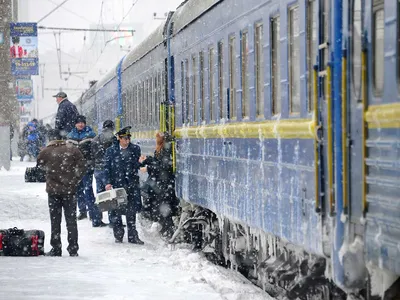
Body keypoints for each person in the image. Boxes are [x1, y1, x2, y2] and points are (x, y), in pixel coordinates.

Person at [37, 129, 86, 257]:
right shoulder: (73, 149)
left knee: (55, 221)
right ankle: (73, 248)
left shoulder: (46, 151)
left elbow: (39, 165)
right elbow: (82, 166)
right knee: (71, 221)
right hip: (70, 191)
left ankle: (56, 248)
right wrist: (74, 180)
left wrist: (50, 175)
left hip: (53, 191)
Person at [104, 126, 144, 244]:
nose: (127, 140)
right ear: (119, 138)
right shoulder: (111, 151)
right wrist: (107, 182)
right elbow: (106, 168)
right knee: (116, 210)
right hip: (117, 184)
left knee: (131, 211)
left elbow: (137, 165)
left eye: (128, 138)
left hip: (131, 183)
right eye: (124, 138)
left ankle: (132, 236)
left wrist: (141, 163)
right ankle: (118, 234)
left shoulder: (135, 149)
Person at [67, 115, 105, 227]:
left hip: (87, 167)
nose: (80, 124)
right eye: (78, 122)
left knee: (88, 190)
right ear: (75, 124)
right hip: (75, 168)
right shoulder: (70, 136)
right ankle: (82, 211)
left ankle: (94, 215)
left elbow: (95, 151)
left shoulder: (91, 135)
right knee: (78, 190)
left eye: (82, 122)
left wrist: (91, 162)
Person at [139, 132, 178, 238]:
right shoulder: (162, 148)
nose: (156, 139)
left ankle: (168, 231)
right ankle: (166, 230)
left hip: (165, 185)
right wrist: (147, 160)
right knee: (162, 208)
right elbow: (159, 163)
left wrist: (148, 168)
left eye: (157, 138)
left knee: (164, 209)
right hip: (162, 184)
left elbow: (164, 167)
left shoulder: (165, 149)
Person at [91, 120, 118, 227]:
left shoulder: (95, 139)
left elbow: (92, 155)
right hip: (107, 170)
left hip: (97, 169)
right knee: (111, 195)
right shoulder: (112, 138)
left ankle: (96, 219)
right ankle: (113, 220)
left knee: (100, 195)